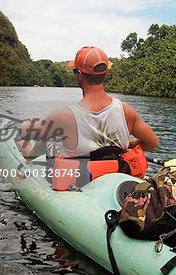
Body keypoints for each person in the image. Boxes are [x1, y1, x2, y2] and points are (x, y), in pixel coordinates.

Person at [18, 46, 158, 179]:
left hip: (79, 182)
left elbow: (31, 140)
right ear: (105, 73)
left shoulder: (62, 116)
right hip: (114, 174)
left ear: (79, 75)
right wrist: (125, 144)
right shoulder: (127, 111)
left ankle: (26, 153)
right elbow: (151, 142)